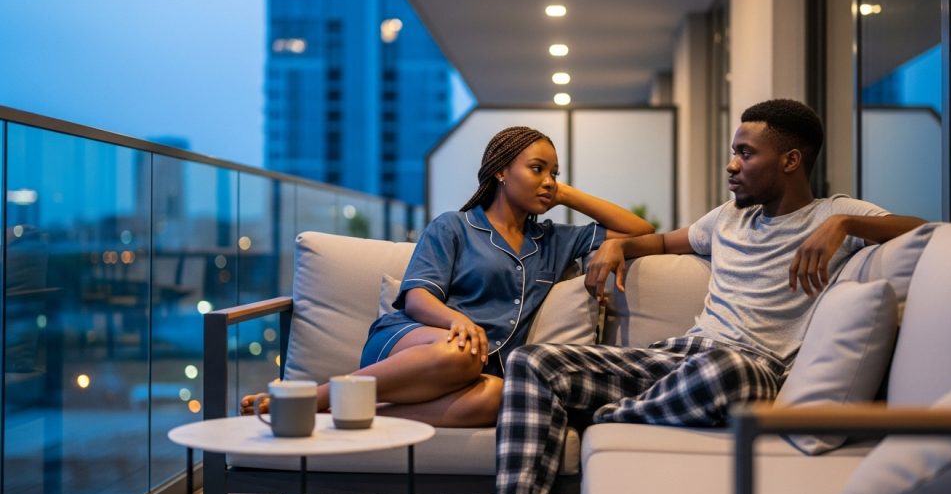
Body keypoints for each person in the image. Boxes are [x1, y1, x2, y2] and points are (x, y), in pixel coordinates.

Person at [494, 99, 926, 494]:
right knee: (530, 362)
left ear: (791, 160)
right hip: (681, 358)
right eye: (734, 152)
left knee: (728, 368)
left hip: (755, 369)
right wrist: (618, 247)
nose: (731, 164)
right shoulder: (728, 217)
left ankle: (607, 416)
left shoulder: (831, 214)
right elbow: (662, 242)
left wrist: (847, 225)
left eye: (746, 153)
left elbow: (925, 231)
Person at [241, 126, 653, 427]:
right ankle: (316, 399)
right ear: (501, 172)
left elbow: (638, 230)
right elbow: (418, 298)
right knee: (462, 351)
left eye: (554, 172)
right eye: (537, 169)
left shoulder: (552, 240)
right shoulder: (453, 226)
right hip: (414, 343)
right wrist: (459, 321)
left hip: (477, 370)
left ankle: (353, 410)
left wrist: (562, 193)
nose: (548, 180)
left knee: (500, 397)